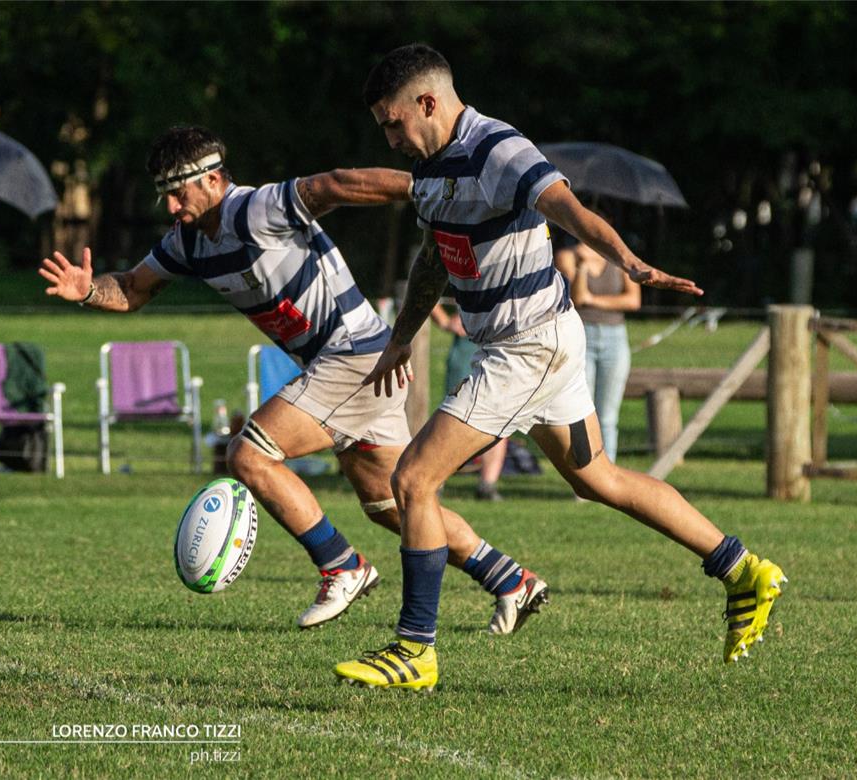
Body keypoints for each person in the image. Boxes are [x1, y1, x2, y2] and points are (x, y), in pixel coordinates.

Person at [333, 45, 786, 691]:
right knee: (598, 478)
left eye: (392, 122)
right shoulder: (432, 172)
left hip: (528, 348)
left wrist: (628, 261)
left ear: (427, 103)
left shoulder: (498, 148)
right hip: (536, 343)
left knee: (412, 481)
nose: (389, 137)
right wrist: (403, 336)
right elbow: (435, 257)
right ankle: (742, 569)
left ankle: (414, 650)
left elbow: (566, 207)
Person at [38, 125, 548, 635]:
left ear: (213, 179)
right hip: (353, 365)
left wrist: (431, 190)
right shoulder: (189, 243)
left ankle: (342, 566)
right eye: (164, 196)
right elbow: (131, 288)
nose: (171, 207)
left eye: (178, 193)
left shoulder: (254, 209)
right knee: (394, 507)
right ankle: (510, 579)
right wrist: (88, 291)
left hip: (352, 357)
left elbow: (335, 184)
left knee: (249, 454)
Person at [554, 230, 642, 464]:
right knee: (581, 412)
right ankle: (585, 473)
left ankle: (609, 472)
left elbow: (633, 300)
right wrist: (582, 267)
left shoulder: (618, 259)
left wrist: (594, 301)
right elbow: (577, 297)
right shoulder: (566, 257)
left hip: (615, 338)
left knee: (608, 416)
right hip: (581, 336)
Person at [429, 302, 507, 500]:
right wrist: (446, 321)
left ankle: (487, 485)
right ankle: (435, 481)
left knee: (501, 415)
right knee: (453, 416)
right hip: (468, 342)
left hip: (504, 340)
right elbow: (426, 285)